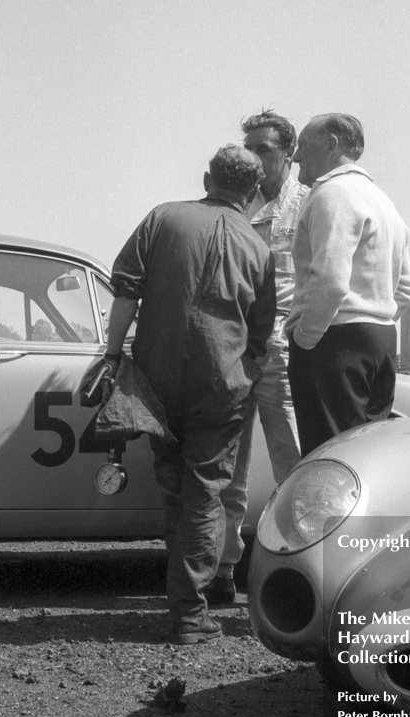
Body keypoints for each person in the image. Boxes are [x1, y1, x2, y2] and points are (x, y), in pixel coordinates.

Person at [103, 146, 275, 644]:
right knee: (206, 491)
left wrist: (114, 358)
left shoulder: (161, 218)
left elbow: (126, 294)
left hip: (157, 375)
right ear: (255, 193)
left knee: (175, 483)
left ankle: (183, 602)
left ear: (206, 177)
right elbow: (261, 337)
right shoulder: (260, 249)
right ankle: (189, 613)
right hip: (221, 381)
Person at [210, 112, 309, 605]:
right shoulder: (234, 202)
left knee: (294, 467)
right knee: (230, 466)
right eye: (248, 147)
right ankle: (226, 568)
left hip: (280, 353)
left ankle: (297, 574)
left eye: (264, 149)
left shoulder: (308, 205)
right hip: (233, 351)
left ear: (288, 154)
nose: (254, 156)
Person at [285, 113, 410, 457]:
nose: (296, 156)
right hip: (381, 341)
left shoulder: (332, 194)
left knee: (329, 459)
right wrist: (375, 320)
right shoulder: (383, 201)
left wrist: (305, 338)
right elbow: (405, 291)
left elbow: (329, 281)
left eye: (302, 145)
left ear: (331, 145)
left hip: (334, 341)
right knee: (364, 459)